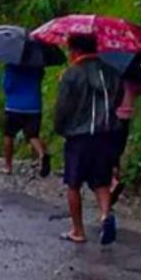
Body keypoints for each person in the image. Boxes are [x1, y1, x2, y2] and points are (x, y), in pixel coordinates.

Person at [54, 33, 122, 245]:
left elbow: (63, 107)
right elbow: (118, 98)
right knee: (101, 181)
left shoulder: (72, 74)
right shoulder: (111, 72)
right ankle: (105, 215)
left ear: (75, 50)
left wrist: (60, 127)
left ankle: (78, 230)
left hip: (79, 136)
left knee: (73, 183)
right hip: (105, 133)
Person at [1, 63, 51, 177]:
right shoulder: (37, 65)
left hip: (14, 106)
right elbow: (39, 79)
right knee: (33, 135)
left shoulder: (11, 65)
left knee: (8, 135)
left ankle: (8, 166)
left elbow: (6, 86)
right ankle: (42, 154)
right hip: (34, 106)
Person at [111, 76, 141, 204]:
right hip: (126, 117)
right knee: (118, 149)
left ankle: (112, 181)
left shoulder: (111, 74)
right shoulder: (134, 74)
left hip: (111, 115)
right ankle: (115, 177)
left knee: (108, 150)